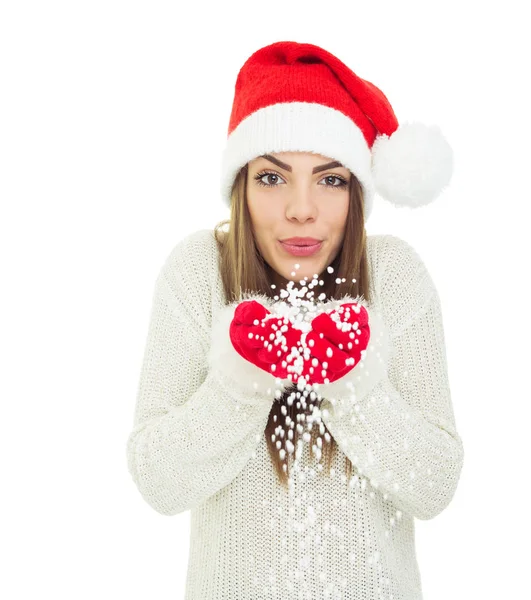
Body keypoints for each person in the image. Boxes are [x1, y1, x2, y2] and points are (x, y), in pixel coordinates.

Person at [126, 40, 464, 600]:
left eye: (330, 180)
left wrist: (355, 383)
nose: (301, 208)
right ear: (241, 186)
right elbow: (160, 482)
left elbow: (433, 487)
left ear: (358, 191)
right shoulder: (198, 273)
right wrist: (240, 381)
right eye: (272, 177)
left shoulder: (394, 276)